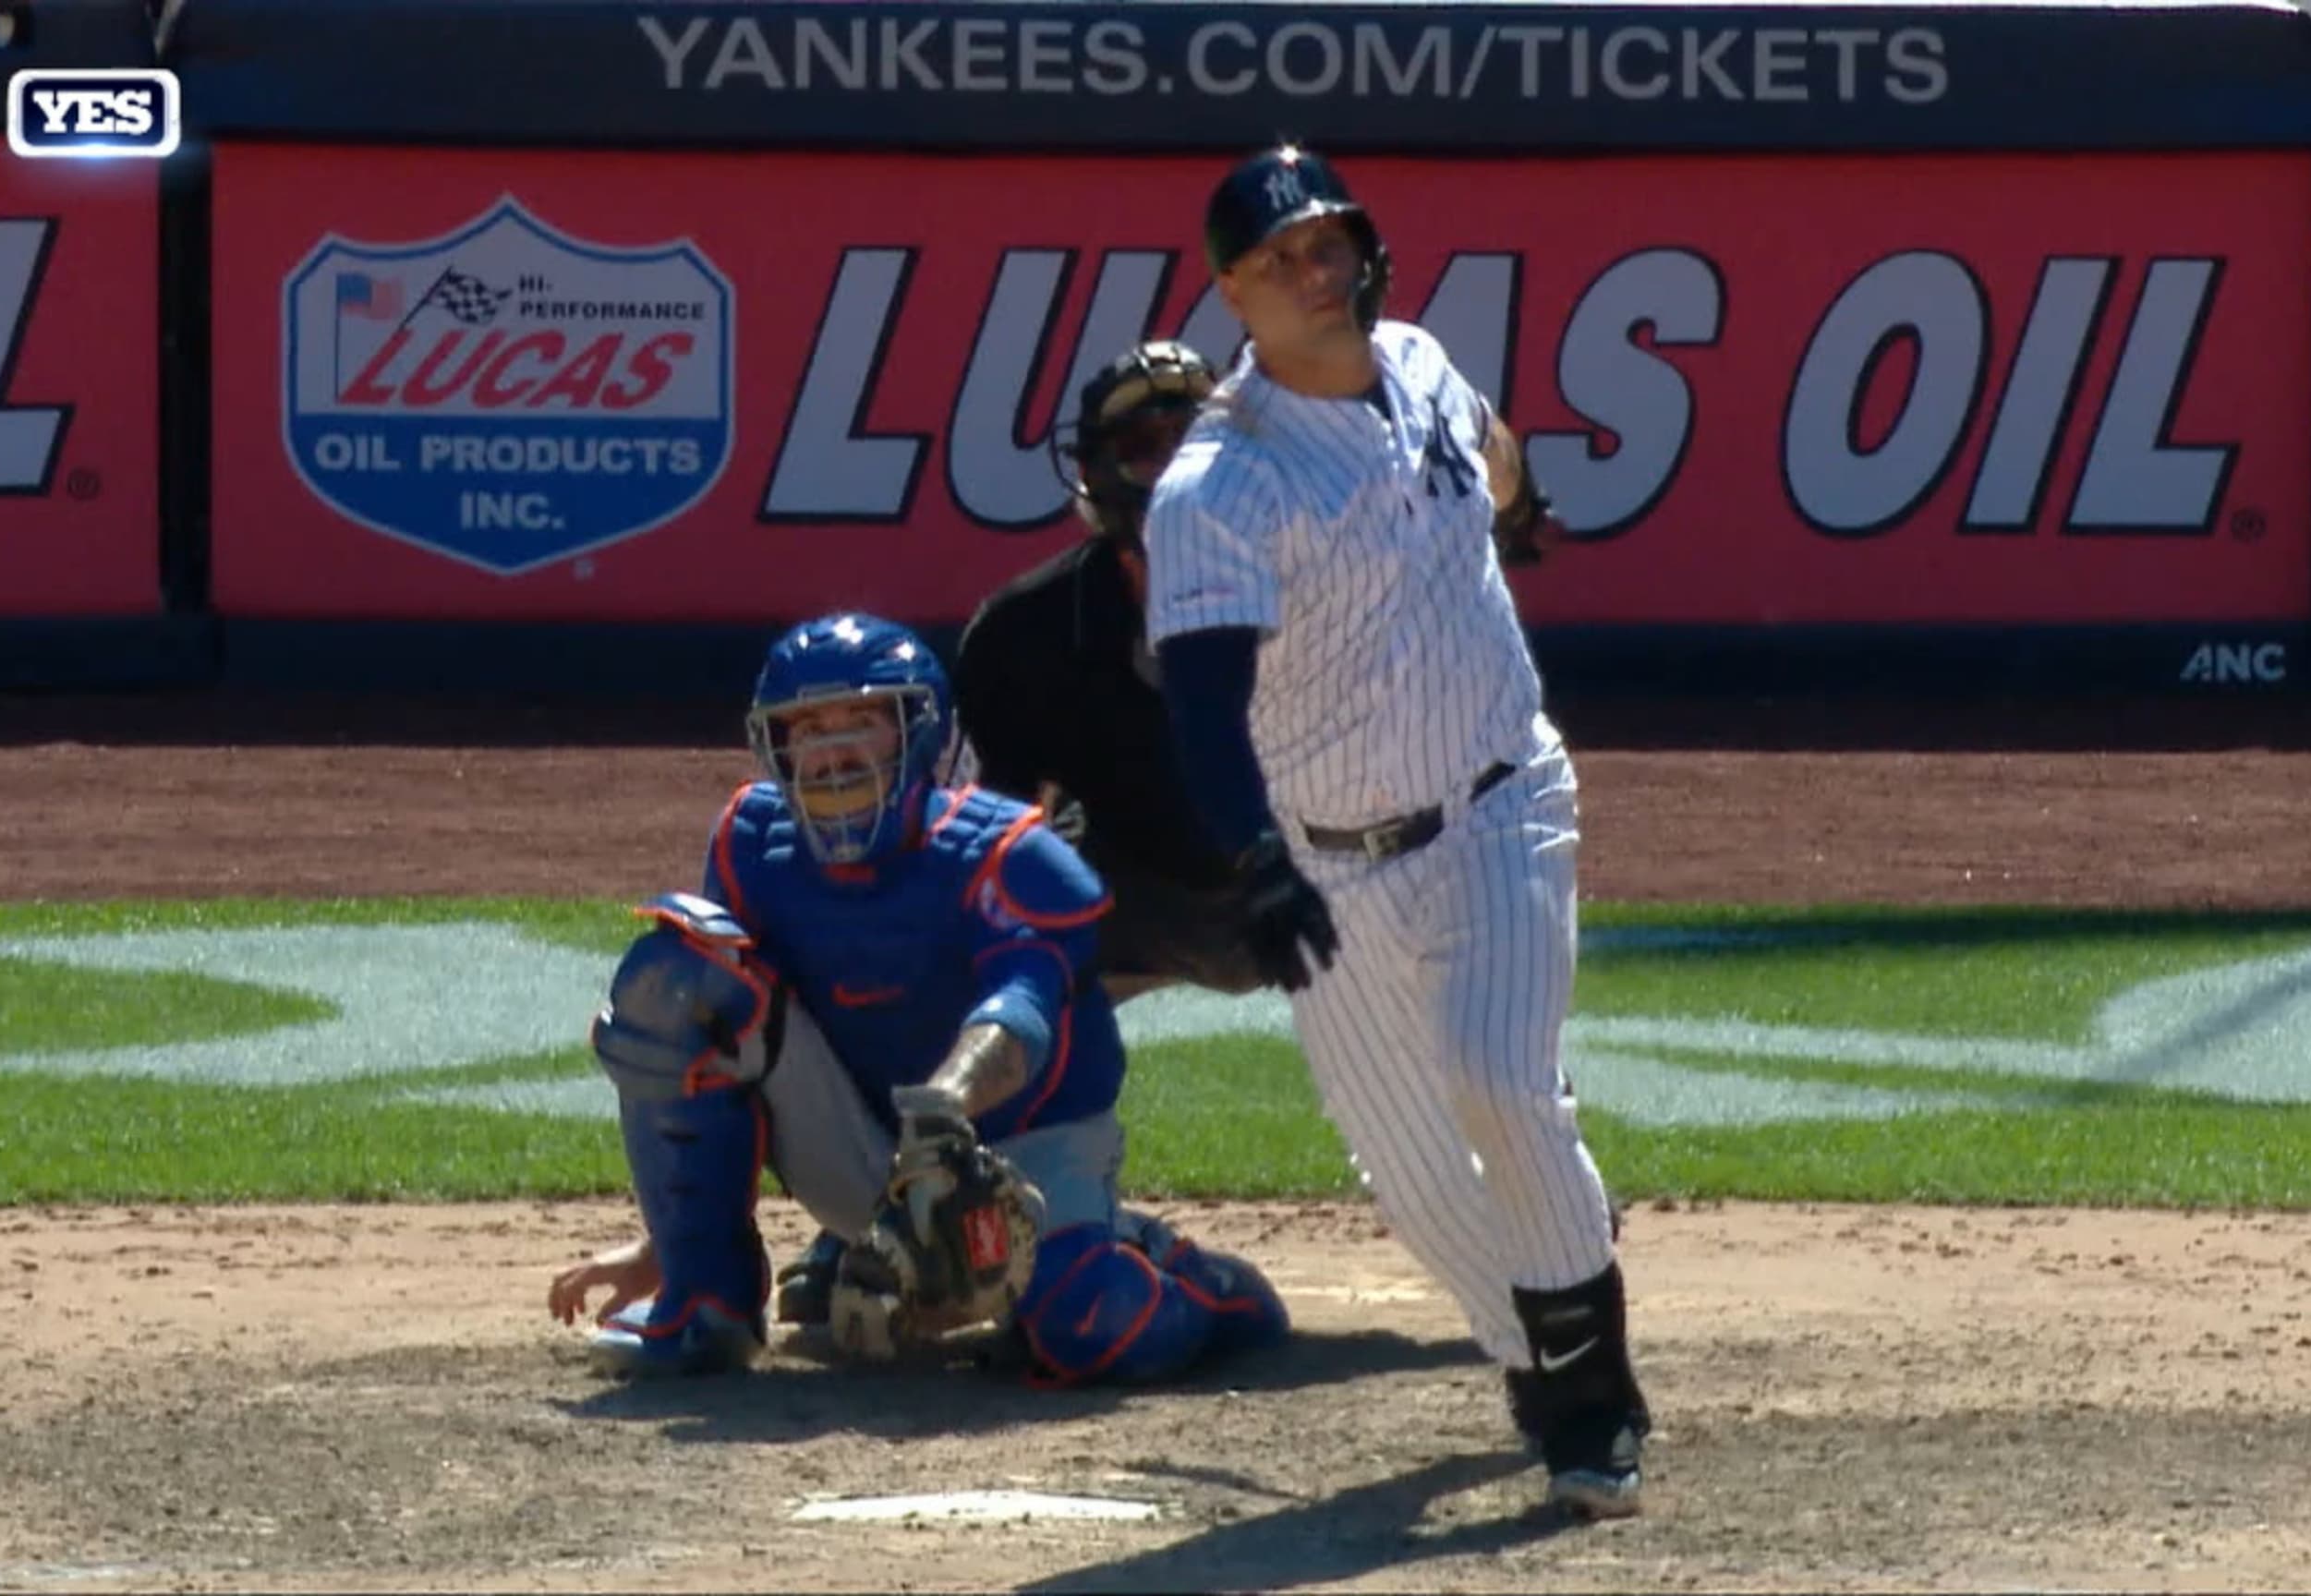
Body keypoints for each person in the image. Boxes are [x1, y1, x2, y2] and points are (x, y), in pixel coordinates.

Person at [1136, 142, 1649, 1518]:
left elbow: (1486, 447)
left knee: (1499, 1080)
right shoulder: (1217, 488)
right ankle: (1541, 1330)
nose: (1317, 272)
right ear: (1230, 295)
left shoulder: (1416, 358)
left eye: (1329, 242)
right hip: (1326, 851)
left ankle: (1591, 1398)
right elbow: (1200, 702)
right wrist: (1254, 862)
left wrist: (1525, 506)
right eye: (1279, 260)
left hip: (1500, 801)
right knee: (1417, 1180)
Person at [547, 611, 1289, 1389]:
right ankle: (706, 1295)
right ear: (775, 745)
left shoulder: (1009, 850)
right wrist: (666, 1242)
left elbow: (1024, 1012)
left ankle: (1187, 1277)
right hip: (868, 1143)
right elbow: (727, 1036)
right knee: (677, 981)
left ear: (918, 736)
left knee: (1091, 1329)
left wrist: (946, 1108)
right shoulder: (749, 841)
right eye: (808, 728)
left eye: (861, 723)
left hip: (1027, 1149)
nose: (832, 753)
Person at [950, 338, 1267, 1004]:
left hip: (1326, 882)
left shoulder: (1332, 598)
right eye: (1146, 448)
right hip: (1130, 899)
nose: (1179, 473)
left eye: (1200, 444)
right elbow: (980, 832)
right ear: (1097, 472)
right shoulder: (1022, 632)